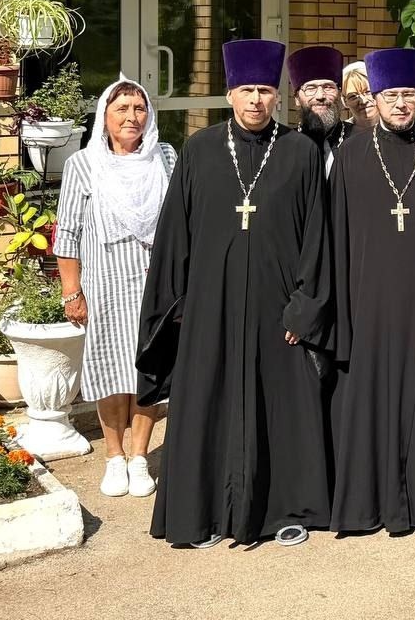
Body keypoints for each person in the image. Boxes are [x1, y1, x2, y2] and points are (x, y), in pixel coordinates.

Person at [136, 38, 333, 549]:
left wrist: (306, 307)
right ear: (230, 94)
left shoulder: (300, 151)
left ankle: (286, 509)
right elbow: (175, 233)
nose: (256, 101)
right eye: (247, 90)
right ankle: (200, 513)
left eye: (265, 91)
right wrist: (177, 306)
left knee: (282, 409)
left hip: (278, 308)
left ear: (277, 96)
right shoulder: (201, 149)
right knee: (207, 406)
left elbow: (318, 237)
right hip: (210, 307)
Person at [329, 48, 415, 535]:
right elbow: (336, 239)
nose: (401, 103)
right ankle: (369, 505)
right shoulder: (351, 155)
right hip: (368, 302)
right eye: (391, 95)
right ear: (376, 98)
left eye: (409, 94)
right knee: (371, 400)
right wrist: (341, 313)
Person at [55, 77, 177, 499]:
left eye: (139, 108)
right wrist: (72, 292)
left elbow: (182, 221)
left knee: (149, 368)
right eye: (121, 108)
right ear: (104, 116)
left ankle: (139, 456)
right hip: (105, 284)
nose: (131, 117)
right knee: (109, 368)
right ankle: (114, 455)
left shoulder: (165, 157)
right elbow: (67, 234)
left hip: (155, 285)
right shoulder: (83, 164)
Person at [289, 45, 352, 176]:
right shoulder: (284, 144)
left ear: (339, 94)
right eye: (310, 88)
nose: (320, 96)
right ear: (296, 99)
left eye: (328, 87)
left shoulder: (360, 141)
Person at [341, 61, 377, 130]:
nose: (363, 101)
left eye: (368, 92)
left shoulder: (396, 129)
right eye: (353, 96)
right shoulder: (337, 134)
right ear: (345, 102)